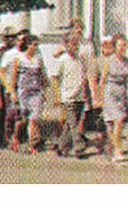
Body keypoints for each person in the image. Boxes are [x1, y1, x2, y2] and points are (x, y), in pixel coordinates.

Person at [52, 28, 90, 158]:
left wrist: (86, 94)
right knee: (74, 124)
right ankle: (79, 148)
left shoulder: (80, 59)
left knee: (70, 124)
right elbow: (54, 78)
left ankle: (61, 146)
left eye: (76, 44)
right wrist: (57, 96)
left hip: (79, 96)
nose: (74, 47)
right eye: (72, 44)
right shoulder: (62, 60)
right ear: (66, 45)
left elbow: (83, 76)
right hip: (67, 97)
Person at [100, 33, 128, 162]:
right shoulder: (109, 61)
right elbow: (102, 79)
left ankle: (112, 144)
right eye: (120, 45)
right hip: (110, 92)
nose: (122, 48)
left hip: (122, 92)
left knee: (117, 122)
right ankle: (118, 149)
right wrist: (99, 97)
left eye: (124, 45)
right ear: (115, 47)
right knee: (115, 121)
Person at [10, 33, 47, 153]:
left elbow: (42, 74)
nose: (35, 47)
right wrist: (13, 92)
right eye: (34, 45)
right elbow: (14, 76)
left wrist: (46, 87)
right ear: (28, 45)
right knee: (23, 119)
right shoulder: (19, 58)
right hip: (23, 91)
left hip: (36, 91)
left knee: (34, 118)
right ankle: (15, 137)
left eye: (37, 45)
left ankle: (31, 145)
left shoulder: (38, 59)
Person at [0, 27, 23, 148]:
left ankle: (16, 137)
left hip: (21, 86)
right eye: (8, 37)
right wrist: (7, 86)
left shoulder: (22, 52)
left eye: (13, 37)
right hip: (7, 87)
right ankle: (6, 137)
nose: (11, 40)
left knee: (19, 113)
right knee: (8, 113)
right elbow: (0, 71)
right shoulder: (4, 53)